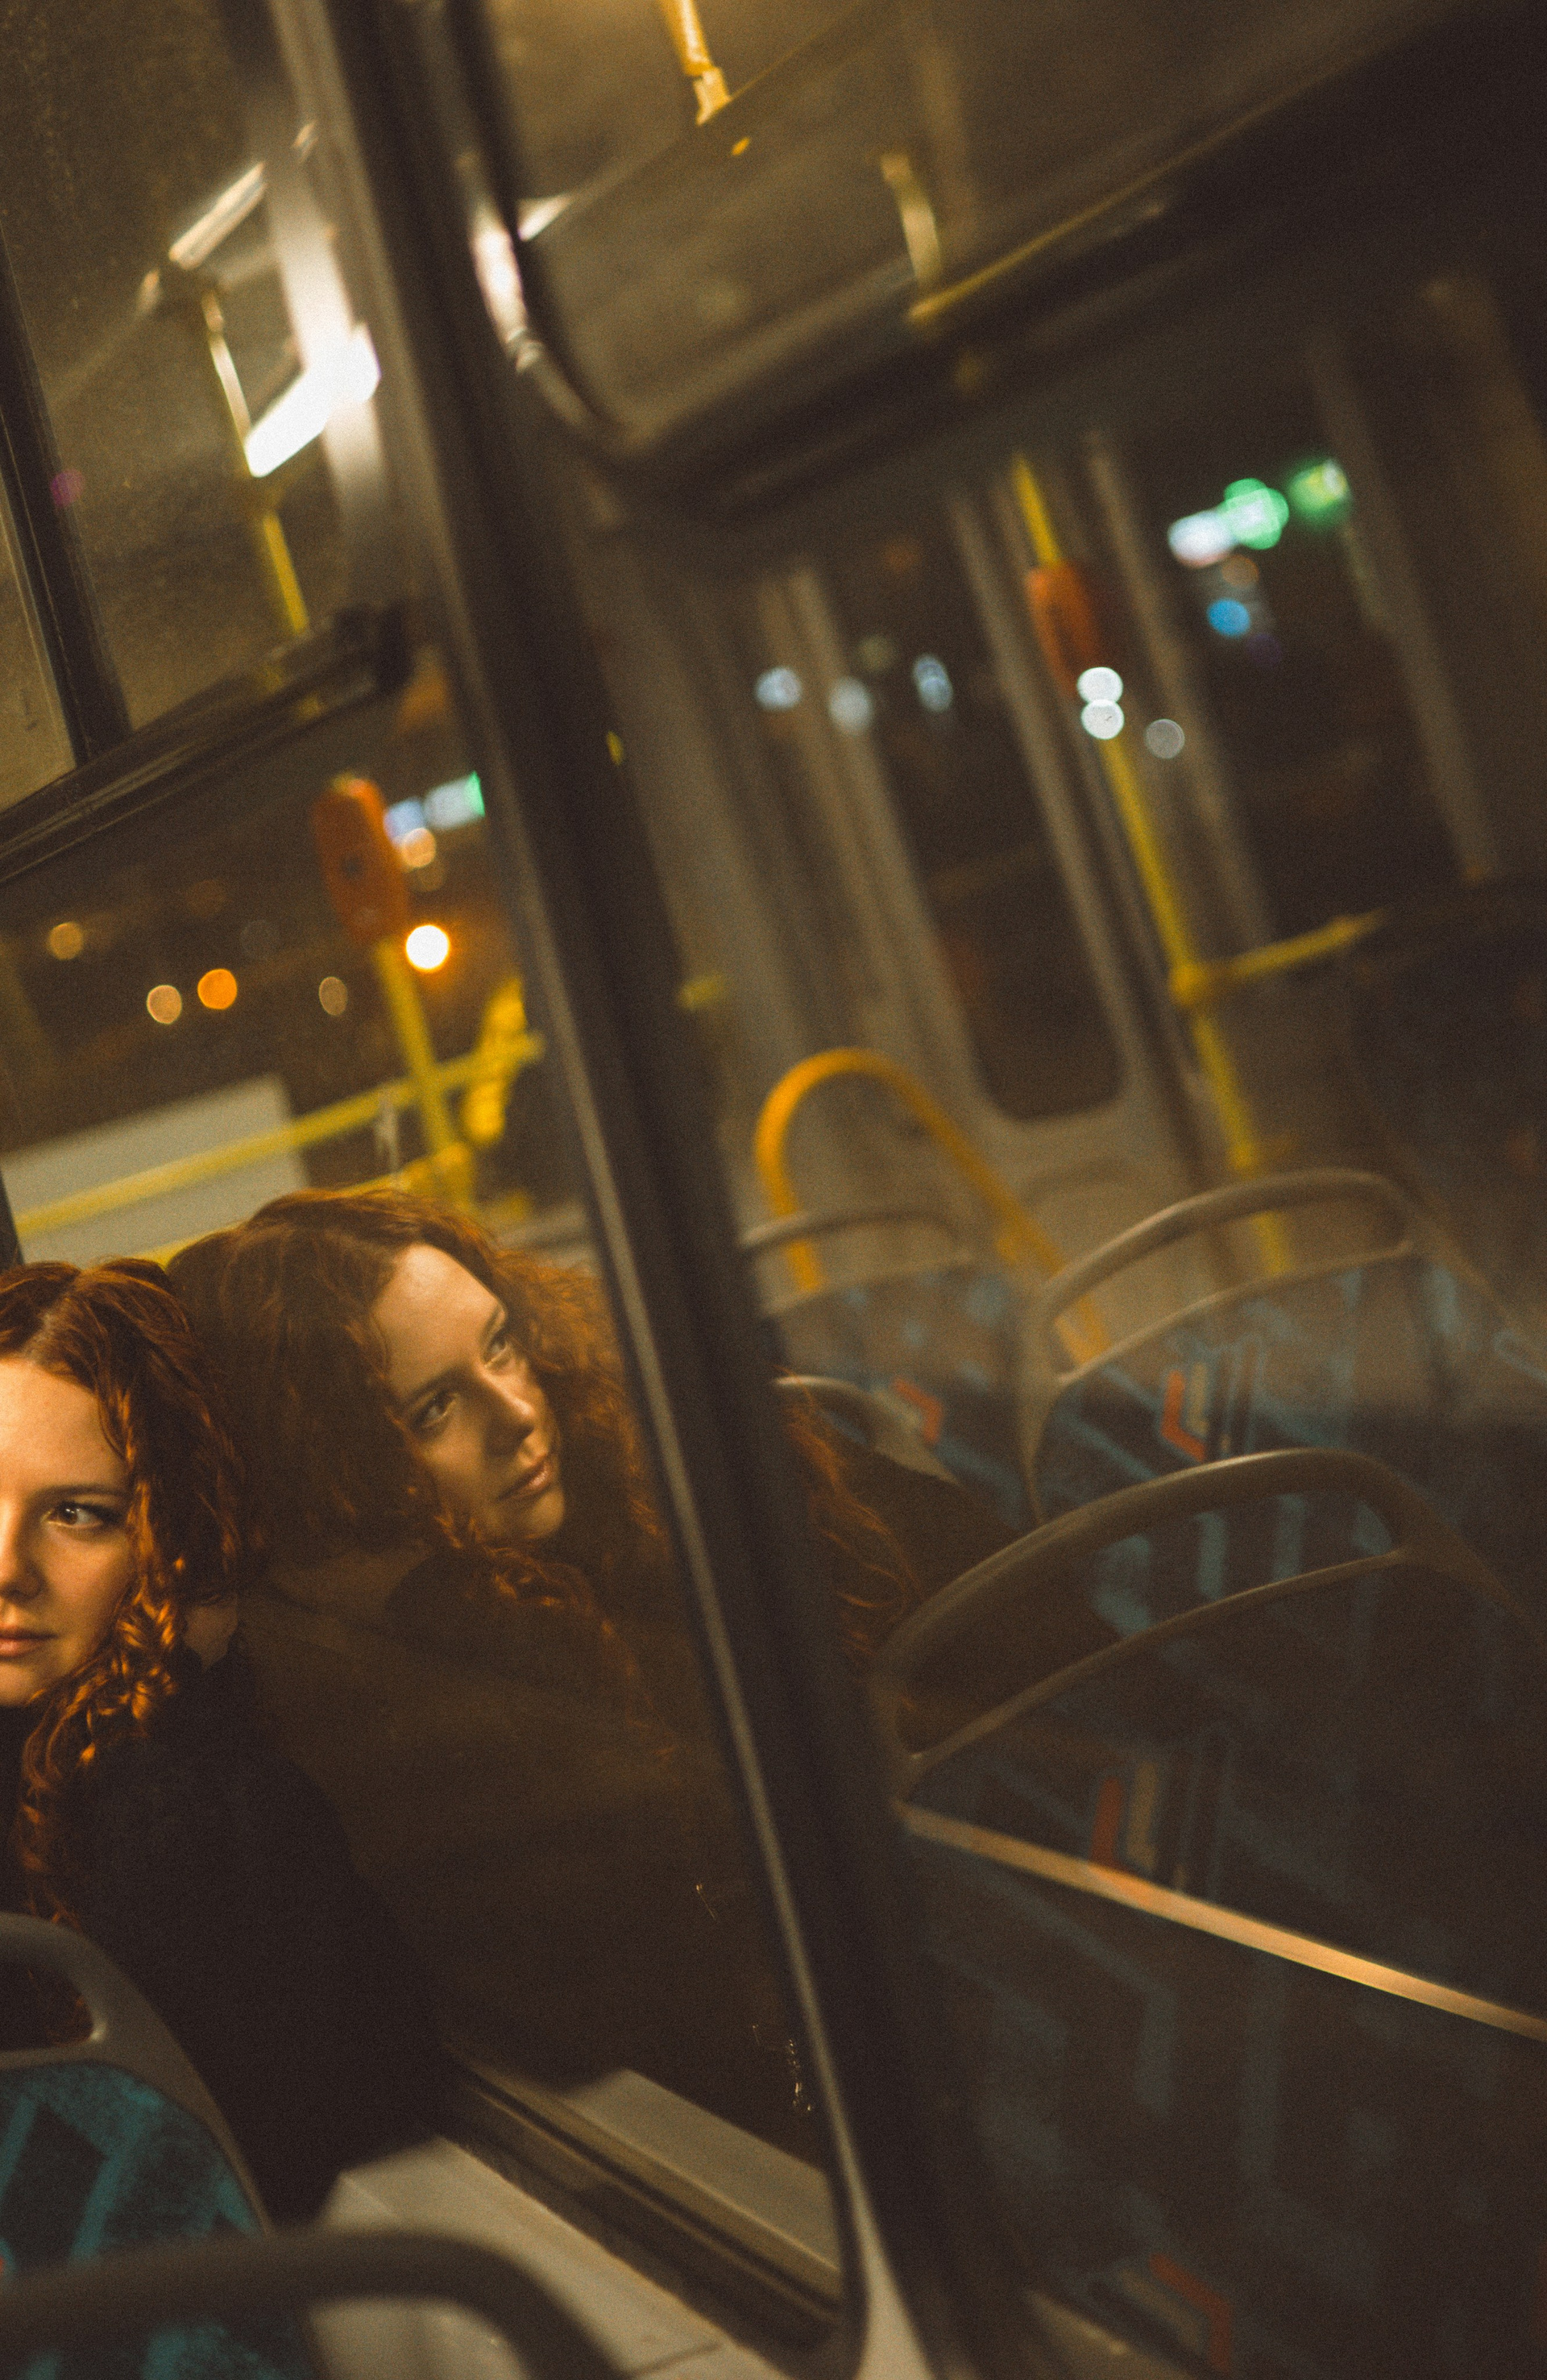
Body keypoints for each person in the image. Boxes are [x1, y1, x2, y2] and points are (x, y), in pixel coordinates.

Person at [0, 1257, 438, 2221]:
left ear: (170, 1540)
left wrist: (169, 1708)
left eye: (76, 1514)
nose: (8, 1568)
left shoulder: (191, 1812)